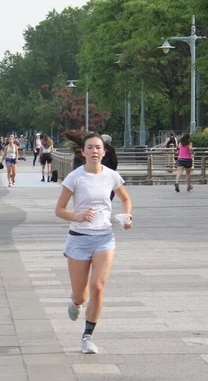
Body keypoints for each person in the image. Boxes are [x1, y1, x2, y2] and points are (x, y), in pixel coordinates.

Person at [55, 133, 132, 354]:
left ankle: (87, 336)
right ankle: (76, 303)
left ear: (104, 152)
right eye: (90, 147)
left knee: (97, 287)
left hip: (104, 237)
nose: (95, 151)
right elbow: (59, 210)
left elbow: (126, 199)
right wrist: (77, 216)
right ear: (83, 152)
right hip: (79, 239)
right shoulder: (75, 177)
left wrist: (127, 217)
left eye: (98, 148)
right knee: (81, 294)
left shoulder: (112, 176)